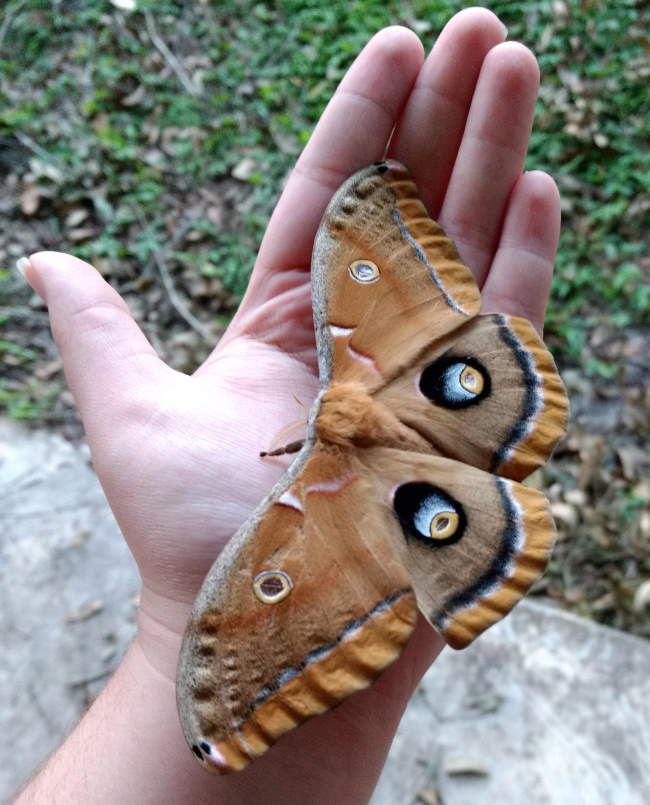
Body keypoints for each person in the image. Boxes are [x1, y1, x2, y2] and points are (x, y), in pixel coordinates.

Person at [14, 8, 560, 804]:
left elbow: (364, 217)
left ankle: (462, 483)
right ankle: (469, 456)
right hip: (424, 394)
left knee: (463, 413)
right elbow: (236, 647)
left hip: (397, 459)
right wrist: (207, 657)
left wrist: (373, 217)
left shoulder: (317, 438)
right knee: (472, 392)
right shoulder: (345, 376)